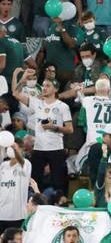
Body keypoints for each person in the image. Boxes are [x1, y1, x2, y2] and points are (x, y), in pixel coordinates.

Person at [11, 69, 72, 197]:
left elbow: (70, 129)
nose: (44, 88)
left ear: (55, 89)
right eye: (43, 85)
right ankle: (36, 206)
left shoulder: (62, 106)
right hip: (38, 148)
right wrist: (22, 79)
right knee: (35, 181)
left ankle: (59, 206)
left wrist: (54, 127)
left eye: (48, 86)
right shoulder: (36, 102)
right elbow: (16, 93)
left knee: (58, 182)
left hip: (56, 148)